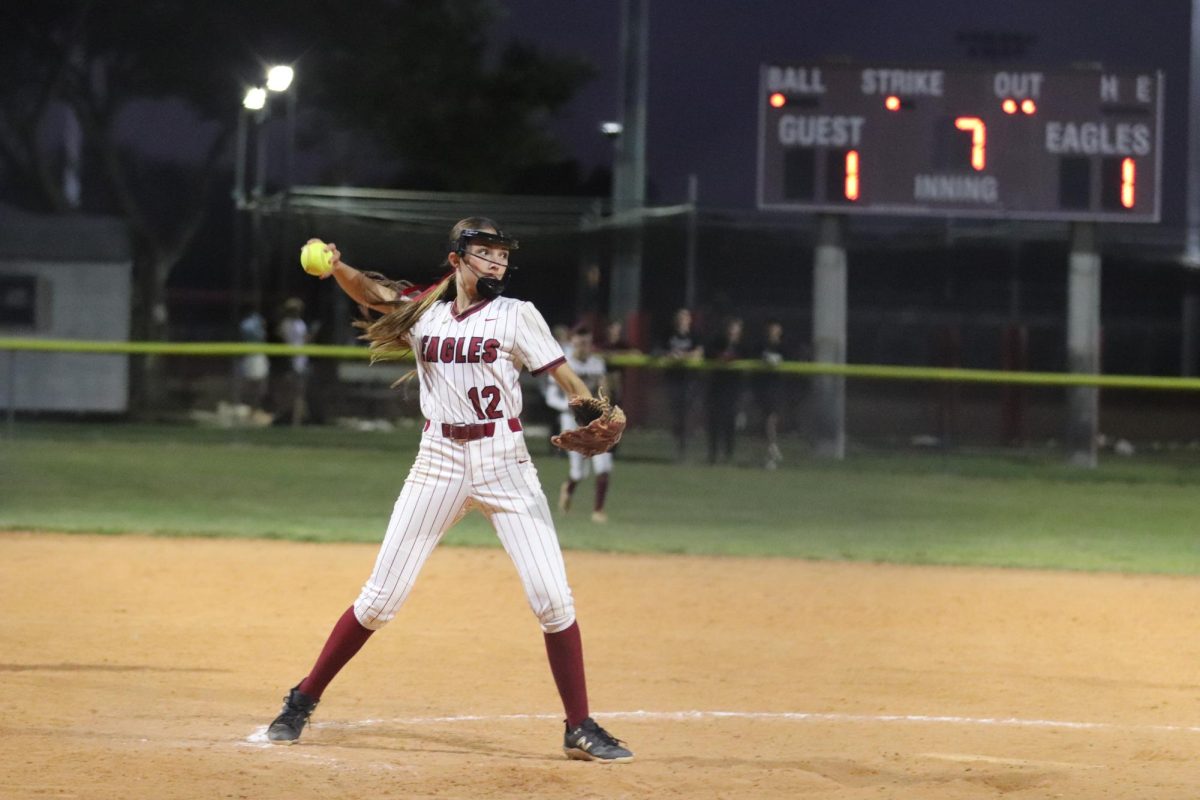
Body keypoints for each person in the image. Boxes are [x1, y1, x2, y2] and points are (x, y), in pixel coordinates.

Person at [264, 217, 633, 764]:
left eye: (503, 255)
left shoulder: (516, 315)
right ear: (457, 258)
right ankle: (302, 698)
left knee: (553, 599)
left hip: (505, 462)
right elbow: (372, 291)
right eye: (485, 253)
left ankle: (578, 725)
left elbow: (562, 375)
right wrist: (338, 266)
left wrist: (587, 408)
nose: (497, 264)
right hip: (438, 461)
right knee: (381, 599)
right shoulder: (424, 310)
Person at [545, 327, 613, 523]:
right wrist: (573, 407)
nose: (584, 347)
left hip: (596, 421)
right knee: (579, 471)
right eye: (579, 343)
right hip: (572, 420)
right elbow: (551, 398)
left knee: (604, 465)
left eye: (587, 343)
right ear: (572, 342)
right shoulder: (562, 364)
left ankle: (598, 510)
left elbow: (604, 391)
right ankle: (568, 487)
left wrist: (604, 409)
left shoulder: (596, 363)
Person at [658, 308, 703, 461]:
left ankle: (685, 446)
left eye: (685, 318)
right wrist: (670, 355)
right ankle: (678, 445)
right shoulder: (669, 334)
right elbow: (661, 352)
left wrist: (681, 356)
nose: (682, 321)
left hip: (690, 380)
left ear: (689, 320)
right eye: (679, 318)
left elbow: (698, 353)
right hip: (673, 379)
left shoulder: (695, 335)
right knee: (676, 414)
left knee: (687, 414)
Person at [704, 317, 746, 464]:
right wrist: (719, 357)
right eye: (730, 329)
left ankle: (728, 455)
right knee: (714, 422)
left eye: (735, 330)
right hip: (717, 387)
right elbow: (708, 353)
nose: (732, 332)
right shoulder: (718, 342)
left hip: (733, 389)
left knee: (730, 423)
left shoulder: (743, 346)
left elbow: (747, 358)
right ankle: (713, 454)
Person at [275, 297, 317, 426]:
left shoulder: (299, 322)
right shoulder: (287, 323)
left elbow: (304, 340)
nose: (297, 311)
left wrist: (313, 333)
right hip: (292, 361)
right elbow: (283, 336)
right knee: (293, 393)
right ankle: (292, 420)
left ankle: (296, 420)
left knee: (299, 393)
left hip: (301, 360)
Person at [754, 320, 787, 469]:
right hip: (764, 386)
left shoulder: (782, 346)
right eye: (772, 330)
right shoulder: (762, 345)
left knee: (774, 418)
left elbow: (789, 358)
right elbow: (757, 357)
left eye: (777, 330)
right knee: (768, 419)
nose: (774, 333)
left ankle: (772, 447)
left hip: (777, 386)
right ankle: (770, 450)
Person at [237, 305, 269, 412]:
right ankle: (250, 407)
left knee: (259, 384)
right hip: (251, 356)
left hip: (258, 355)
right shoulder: (247, 323)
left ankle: (255, 408)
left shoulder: (258, 321)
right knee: (250, 384)